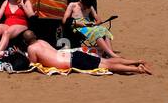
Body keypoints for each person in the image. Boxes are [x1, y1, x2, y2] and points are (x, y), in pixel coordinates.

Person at [21, 31, 153, 75]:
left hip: (73, 62)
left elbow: (33, 64)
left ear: (26, 42)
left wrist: (21, 55)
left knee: (108, 66)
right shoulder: (42, 41)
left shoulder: (31, 49)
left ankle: (138, 70)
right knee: (107, 61)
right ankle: (137, 62)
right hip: (74, 55)